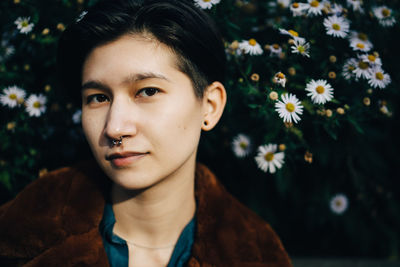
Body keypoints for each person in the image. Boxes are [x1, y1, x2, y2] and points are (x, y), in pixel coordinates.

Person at [0, 0, 292, 266]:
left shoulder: (257, 255)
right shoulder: (19, 235)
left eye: (147, 91)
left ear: (210, 106)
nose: (115, 128)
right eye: (98, 98)